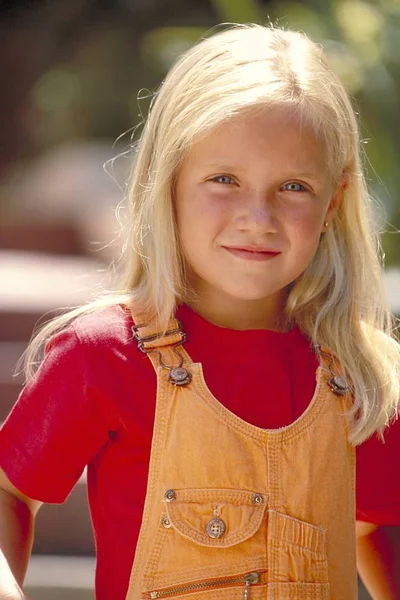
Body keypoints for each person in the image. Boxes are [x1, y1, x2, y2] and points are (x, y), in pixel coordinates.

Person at [0, 23, 399, 600]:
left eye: (292, 187)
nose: (257, 217)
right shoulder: (105, 354)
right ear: (169, 183)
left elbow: (373, 524)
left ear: (333, 200)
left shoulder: (361, 375)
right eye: (224, 180)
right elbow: (10, 492)